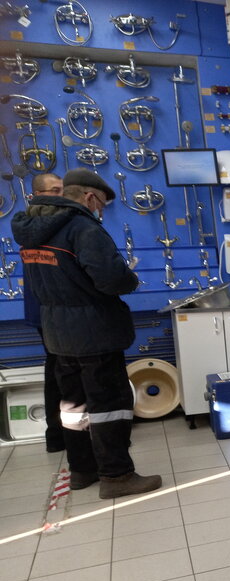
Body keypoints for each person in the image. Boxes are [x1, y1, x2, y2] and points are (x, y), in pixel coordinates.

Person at [11, 169, 161, 499]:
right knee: (109, 404)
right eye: (102, 204)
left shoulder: (31, 229)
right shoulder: (82, 228)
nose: (101, 211)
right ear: (89, 197)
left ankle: (82, 470)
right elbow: (111, 279)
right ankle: (117, 476)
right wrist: (130, 279)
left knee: (73, 405)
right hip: (94, 331)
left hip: (56, 331)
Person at [24, 173, 65, 453]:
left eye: (62, 190)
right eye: (55, 190)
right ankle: (66, 435)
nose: (61, 195)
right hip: (56, 311)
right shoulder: (52, 227)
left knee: (56, 370)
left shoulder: (28, 227)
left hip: (45, 309)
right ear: (37, 194)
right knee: (64, 374)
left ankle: (57, 435)